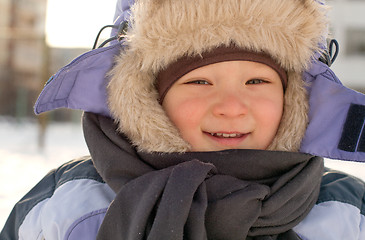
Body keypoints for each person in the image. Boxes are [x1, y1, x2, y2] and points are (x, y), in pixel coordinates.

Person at [1, 0, 365, 239]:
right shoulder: (67, 205)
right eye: (199, 81)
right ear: (148, 101)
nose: (231, 107)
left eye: (257, 81)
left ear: (293, 100)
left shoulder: (346, 213)